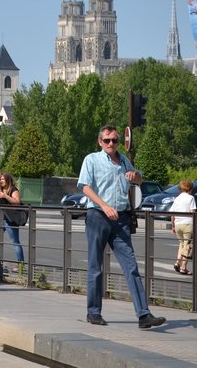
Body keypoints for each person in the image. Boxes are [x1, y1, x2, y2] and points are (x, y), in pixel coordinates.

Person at [78, 125, 165, 328]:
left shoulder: (124, 160)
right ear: (100, 142)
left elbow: (139, 179)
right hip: (98, 215)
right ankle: (93, 312)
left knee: (131, 266)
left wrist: (136, 176)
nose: (111, 144)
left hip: (121, 219)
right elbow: (84, 187)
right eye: (107, 140)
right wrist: (104, 206)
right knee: (95, 266)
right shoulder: (92, 159)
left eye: (115, 140)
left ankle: (144, 315)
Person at [0, 172, 25, 265]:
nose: (1, 181)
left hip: (10, 220)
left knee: (15, 242)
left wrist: (5, 196)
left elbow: (17, 202)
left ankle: (21, 265)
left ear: (8, 179)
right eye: (0, 179)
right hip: (0, 218)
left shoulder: (13, 189)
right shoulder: (0, 190)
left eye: (3, 179)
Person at [170, 179, 195, 275]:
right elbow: (192, 212)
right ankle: (183, 267)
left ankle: (178, 263)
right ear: (190, 188)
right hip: (188, 224)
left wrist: (173, 226)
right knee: (187, 246)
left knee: (181, 245)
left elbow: (172, 213)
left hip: (178, 224)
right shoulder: (190, 198)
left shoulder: (177, 199)